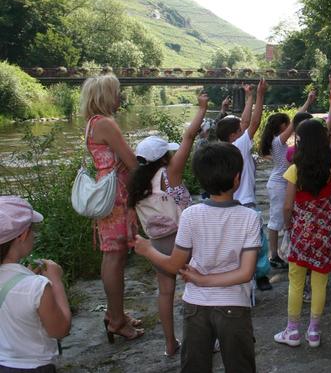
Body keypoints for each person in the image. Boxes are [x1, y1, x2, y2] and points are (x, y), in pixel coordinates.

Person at [134, 142, 262, 373]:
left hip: (196, 306)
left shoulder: (191, 215)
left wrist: (147, 250)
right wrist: (207, 280)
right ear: (237, 178)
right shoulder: (249, 217)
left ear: (201, 180)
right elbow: (246, 273)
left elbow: (174, 265)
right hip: (235, 305)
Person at [127, 92, 208, 357]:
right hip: (181, 240)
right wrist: (203, 108)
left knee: (165, 293)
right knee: (199, 286)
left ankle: (170, 344)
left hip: (157, 244)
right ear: (164, 157)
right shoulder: (169, 175)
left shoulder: (136, 184)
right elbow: (189, 137)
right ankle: (208, 340)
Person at [274, 78, 331, 348]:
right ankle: (314, 332)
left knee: (295, 281)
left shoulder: (294, 169)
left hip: (302, 232)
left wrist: (288, 228)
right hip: (326, 230)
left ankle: (292, 331)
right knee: (320, 281)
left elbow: (288, 206)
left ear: (301, 141)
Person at [78, 74, 143, 342]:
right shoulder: (107, 124)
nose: (120, 97)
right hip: (116, 195)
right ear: (106, 96)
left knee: (111, 256)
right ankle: (117, 320)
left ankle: (115, 314)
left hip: (105, 190)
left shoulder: (92, 123)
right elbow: (132, 162)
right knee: (116, 258)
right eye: (117, 93)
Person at [0, 197, 71, 372]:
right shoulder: (35, 286)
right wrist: (55, 281)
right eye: (33, 231)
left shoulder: (26, 282)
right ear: (23, 235)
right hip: (35, 366)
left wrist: (26, 275)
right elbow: (60, 329)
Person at [258, 91, 316, 269]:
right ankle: (274, 255)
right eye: (287, 125)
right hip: (278, 184)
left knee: (283, 219)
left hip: (283, 183)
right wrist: (307, 101)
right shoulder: (278, 142)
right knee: (276, 220)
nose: (290, 127)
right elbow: (297, 119)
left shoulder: (280, 143)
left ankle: (283, 252)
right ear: (282, 126)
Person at [215, 81, 268, 209]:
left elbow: (244, 122)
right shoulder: (238, 147)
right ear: (233, 135)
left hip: (227, 201)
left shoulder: (220, 147)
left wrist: (249, 97)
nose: (243, 130)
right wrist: (260, 95)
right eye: (239, 130)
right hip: (245, 201)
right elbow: (253, 123)